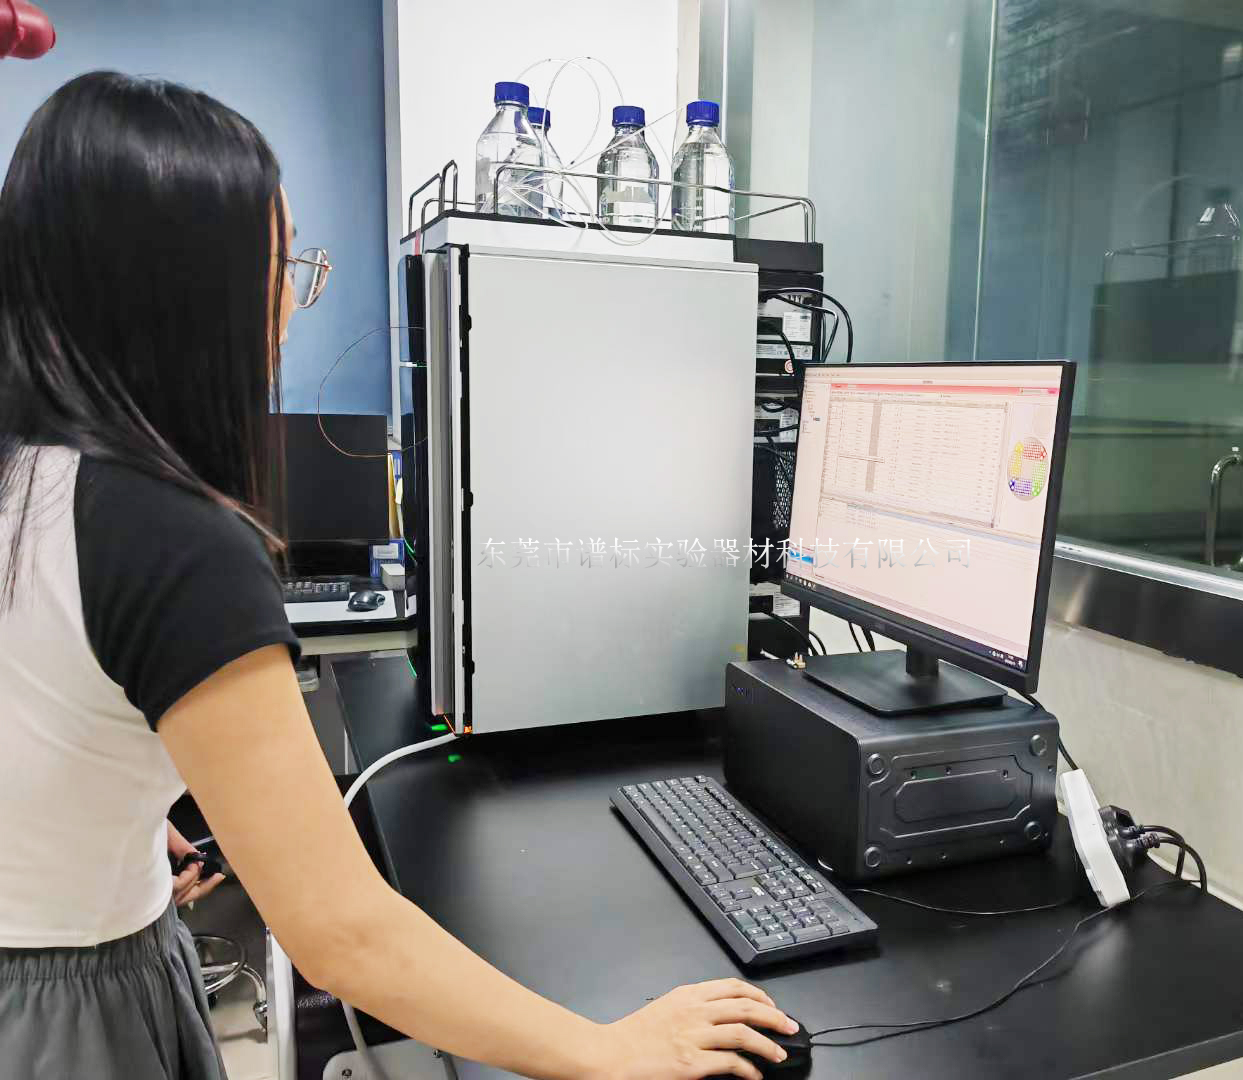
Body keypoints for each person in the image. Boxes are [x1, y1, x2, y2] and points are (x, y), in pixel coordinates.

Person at [0, 71, 796, 1080]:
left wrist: (97, 808)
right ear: (191, 297)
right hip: (64, 1012)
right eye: (285, 269)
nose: (290, 306)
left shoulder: (31, 471)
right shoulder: (166, 534)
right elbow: (345, 935)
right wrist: (612, 1049)